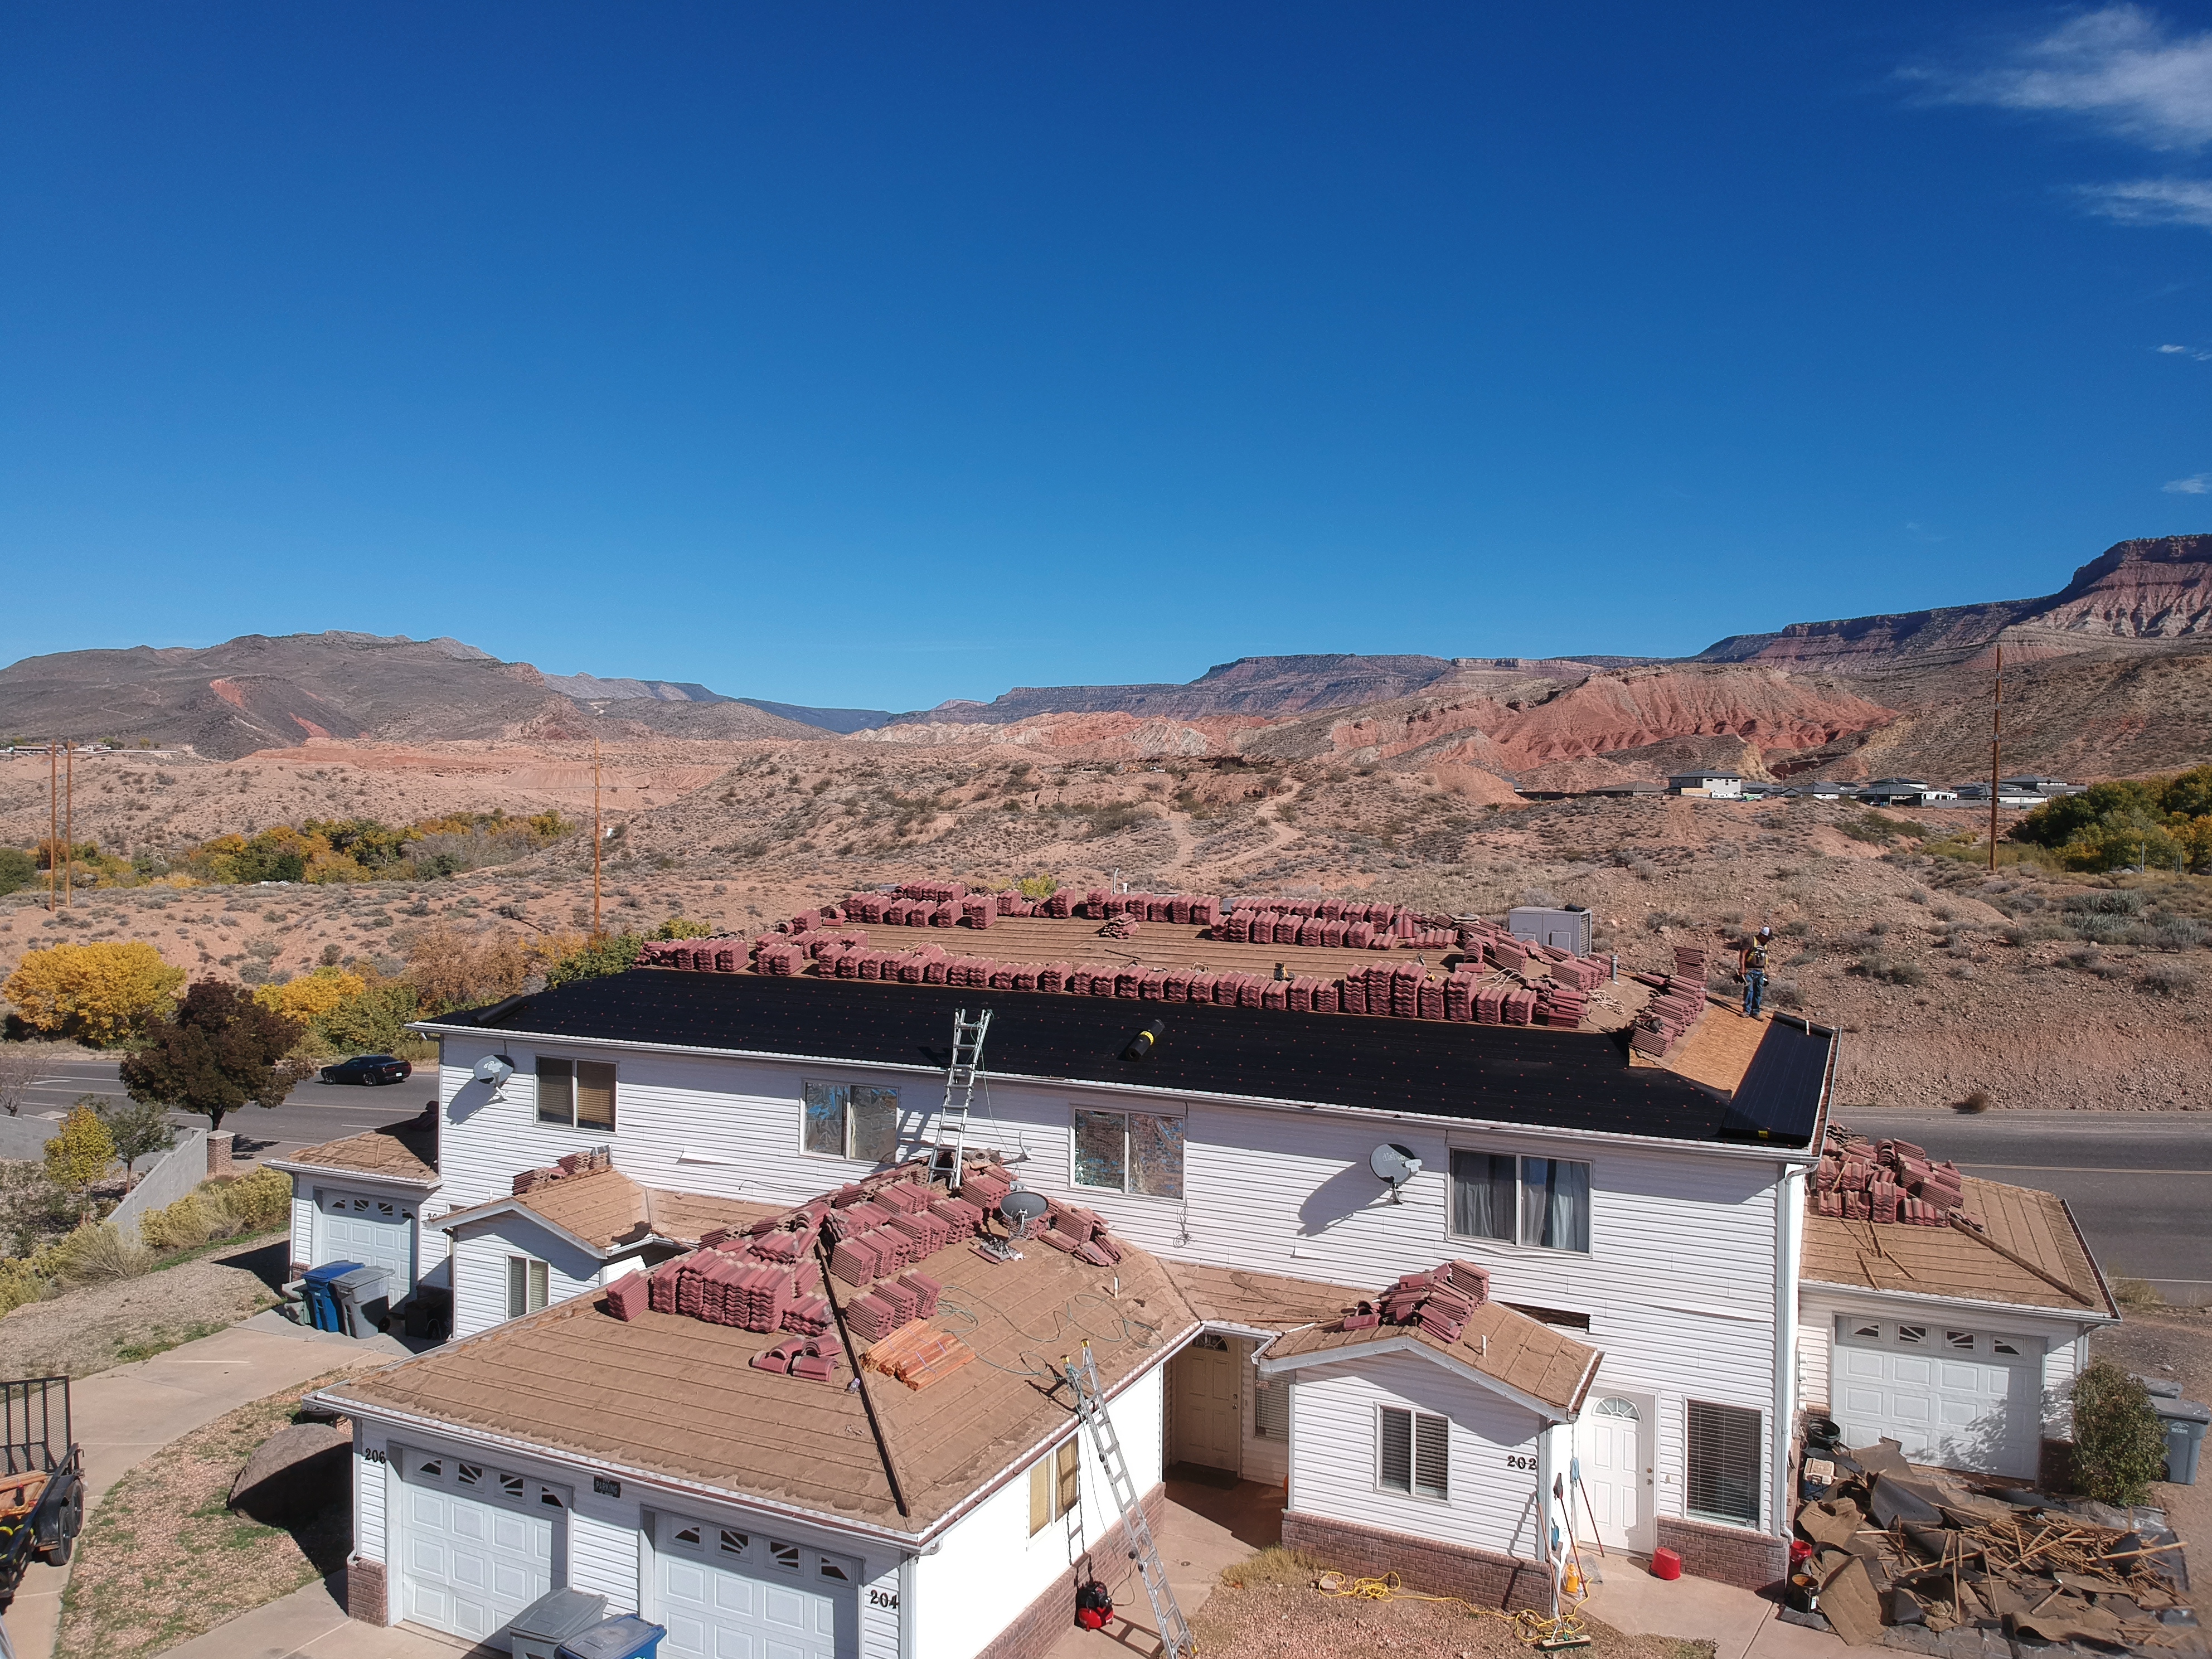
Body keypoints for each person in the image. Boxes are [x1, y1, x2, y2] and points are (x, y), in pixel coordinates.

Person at [1741, 925, 1772, 1018]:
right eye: (1768, 938)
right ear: (1762, 936)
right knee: (1749, 991)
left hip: (1761, 972)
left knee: (1759, 992)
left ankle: (1756, 1012)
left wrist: (1767, 973)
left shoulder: (1765, 945)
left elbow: (1765, 959)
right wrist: (1742, 968)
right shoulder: (1750, 941)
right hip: (1750, 970)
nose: (1768, 940)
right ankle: (1747, 1011)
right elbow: (1743, 955)